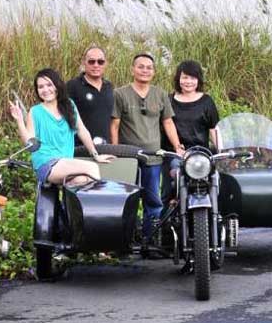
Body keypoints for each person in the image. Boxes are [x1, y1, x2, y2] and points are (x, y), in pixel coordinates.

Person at [110, 53, 184, 240]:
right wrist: (115, 150)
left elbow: (168, 122)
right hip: (128, 158)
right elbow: (115, 125)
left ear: (154, 71)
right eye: (141, 66)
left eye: (149, 67)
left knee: (153, 200)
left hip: (153, 157)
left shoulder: (160, 94)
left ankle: (150, 240)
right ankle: (126, 240)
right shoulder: (120, 94)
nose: (145, 70)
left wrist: (177, 146)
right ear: (132, 69)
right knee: (127, 199)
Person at [10, 68, 113, 186]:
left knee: (82, 180)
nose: (45, 90)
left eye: (49, 85)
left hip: (65, 162)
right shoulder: (35, 112)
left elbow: (82, 130)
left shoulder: (69, 105)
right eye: (41, 87)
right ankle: (102, 203)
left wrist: (95, 155)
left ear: (57, 85)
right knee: (92, 168)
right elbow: (29, 143)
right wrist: (19, 120)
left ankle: (67, 204)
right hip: (46, 163)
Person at [164, 60, 220, 177]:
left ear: (198, 79)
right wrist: (178, 148)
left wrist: (221, 151)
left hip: (201, 154)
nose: (188, 82)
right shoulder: (169, 100)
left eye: (192, 78)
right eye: (185, 77)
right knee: (172, 186)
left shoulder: (207, 101)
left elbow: (213, 129)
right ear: (178, 79)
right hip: (175, 154)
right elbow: (167, 124)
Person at [67, 45, 115, 146]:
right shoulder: (72, 86)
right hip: (81, 148)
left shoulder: (109, 87)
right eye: (91, 61)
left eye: (100, 62)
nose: (96, 65)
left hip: (106, 148)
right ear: (84, 62)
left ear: (105, 63)